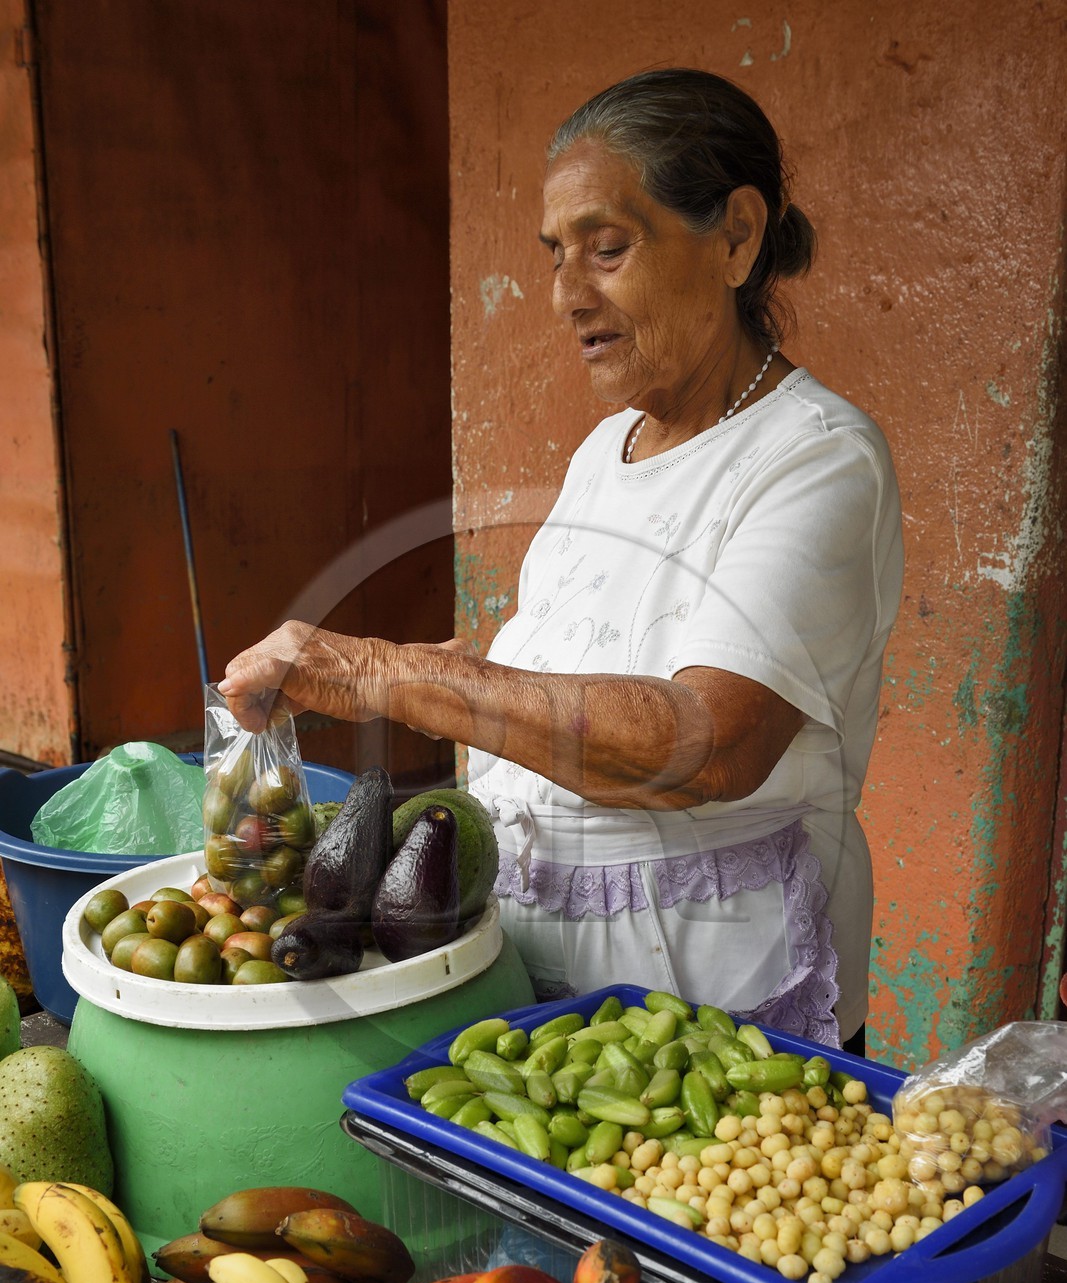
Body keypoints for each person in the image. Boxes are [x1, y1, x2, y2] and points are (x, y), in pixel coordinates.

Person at [219, 67, 903, 1054]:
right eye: (554, 256)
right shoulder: (604, 452)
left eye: (607, 249)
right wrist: (450, 688)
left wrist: (397, 676)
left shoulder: (815, 458)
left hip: (711, 1018)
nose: (565, 296)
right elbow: (577, 675)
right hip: (545, 998)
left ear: (735, 238)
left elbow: (706, 745)